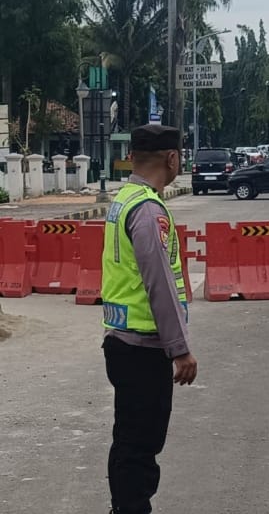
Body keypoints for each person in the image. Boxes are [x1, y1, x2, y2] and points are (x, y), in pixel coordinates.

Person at [101, 124, 197, 514]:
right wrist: (180, 349)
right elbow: (159, 281)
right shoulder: (147, 210)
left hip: (121, 340)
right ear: (172, 159)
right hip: (143, 346)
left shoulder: (124, 199)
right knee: (140, 446)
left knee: (129, 439)